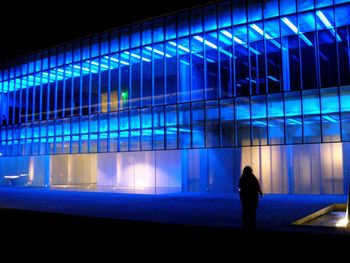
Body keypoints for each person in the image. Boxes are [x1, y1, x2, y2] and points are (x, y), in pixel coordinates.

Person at [238, 166, 263, 230]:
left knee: (247, 210)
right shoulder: (252, 177)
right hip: (252, 197)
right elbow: (256, 184)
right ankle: (251, 224)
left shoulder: (243, 178)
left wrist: (241, 194)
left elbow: (240, 188)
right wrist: (259, 191)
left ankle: (247, 224)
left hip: (247, 197)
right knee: (251, 211)